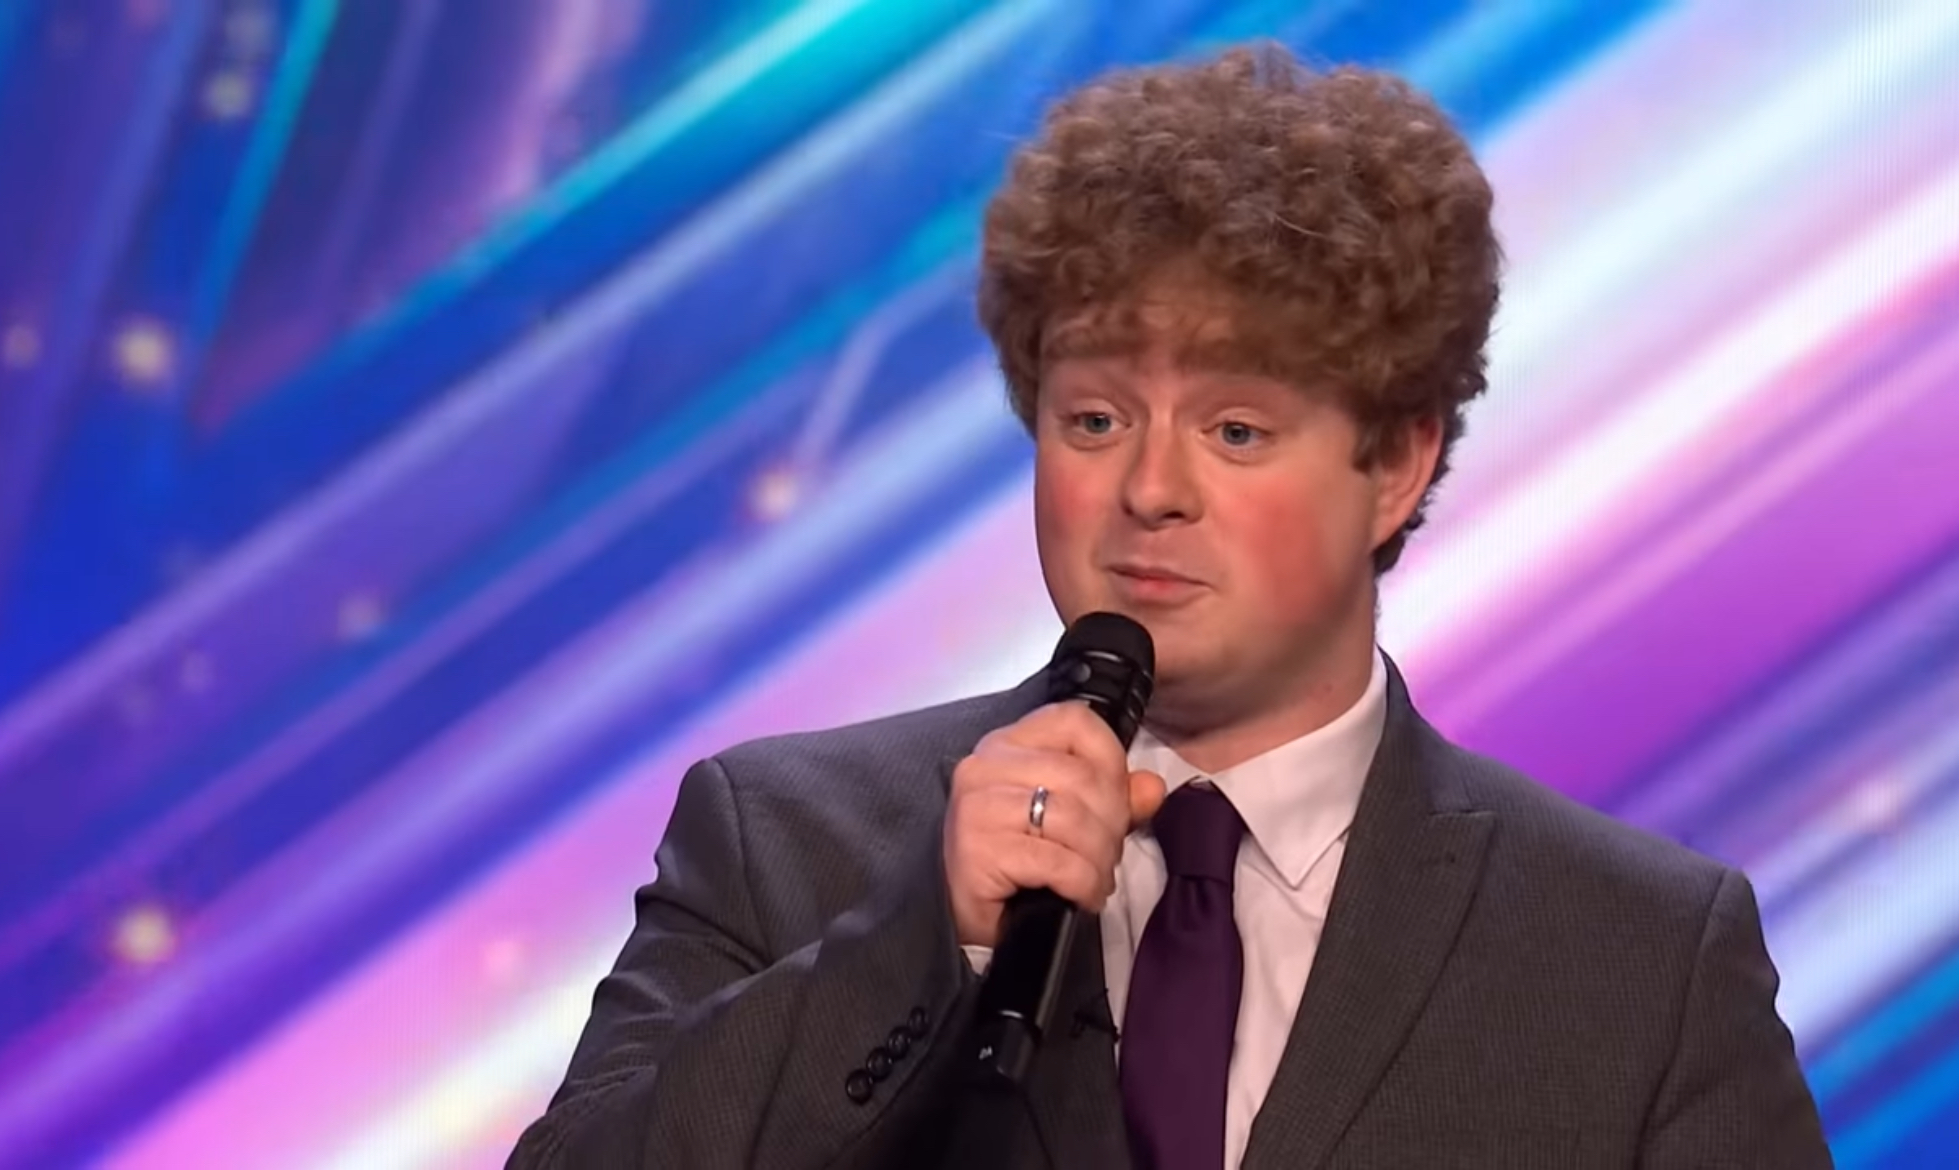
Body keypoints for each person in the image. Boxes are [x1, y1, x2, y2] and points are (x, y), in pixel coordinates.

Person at [509, 43, 1832, 1169]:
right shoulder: (786, 842)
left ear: (1396, 464)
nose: (1148, 489)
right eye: (1095, 419)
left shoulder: (1637, 959)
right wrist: (924, 941)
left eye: (1236, 430)